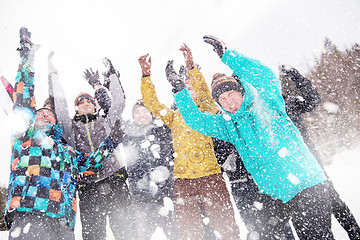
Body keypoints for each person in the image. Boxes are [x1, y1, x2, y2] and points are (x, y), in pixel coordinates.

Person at [172, 35, 334, 239]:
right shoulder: (228, 125)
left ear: (241, 91)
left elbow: (264, 76)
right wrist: (179, 92)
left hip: (307, 185)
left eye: (231, 94)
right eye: (222, 99)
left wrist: (227, 55)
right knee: (262, 235)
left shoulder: (267, 104)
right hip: (275, 194)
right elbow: (197, 121)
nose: (229, 102)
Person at [5, 27, 124, 240]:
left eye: (49, 114)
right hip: (30, 214)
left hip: (63, 222)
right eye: (40, 113)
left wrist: (113, 140)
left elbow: (92, 163)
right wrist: (27, 58)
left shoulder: (67, 151)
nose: (44, 114)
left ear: (56, 122)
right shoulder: (26, 138)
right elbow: (23, 97)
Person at [138, 49, 240, 240]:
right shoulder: (173, 116)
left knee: (226, 229)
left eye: (190, 88)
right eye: (184, 89)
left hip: (211, 177)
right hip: (183, 182)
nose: (188, 91)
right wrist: (146, 76)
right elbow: (151, 103)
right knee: (189, 233)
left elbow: (204, 92)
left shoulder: (207, 111)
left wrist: (191, 67)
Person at [280, 66, 360, 240]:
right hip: (290, 172)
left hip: (311, 161)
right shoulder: (261, 113)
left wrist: (297, 76)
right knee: (305, 215)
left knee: (335, 201)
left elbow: (313, 100)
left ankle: (355, 234)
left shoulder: (287, 103)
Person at [72, 60, 136, 240]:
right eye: (81, 102)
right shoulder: (71, 128)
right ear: (76, 108)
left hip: (115, 180)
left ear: (95, 105)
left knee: (127, 233)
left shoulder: (105, 121)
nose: (85, 104)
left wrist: (107, 80)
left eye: (88, 101)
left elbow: (119, 103)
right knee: (93, 235)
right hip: (88, 187)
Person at [122, 99, 176, 239]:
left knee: (175, 233)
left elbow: (171, 156)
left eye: (144, 111)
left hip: (167, 193)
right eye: (137, 113)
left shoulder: (163, 129)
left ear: (151, 113)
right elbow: (130, 165)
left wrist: (164, 172)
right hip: (141, 197)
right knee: (140, 235)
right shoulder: (128, 136)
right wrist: (142, 180)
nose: (141, 115)